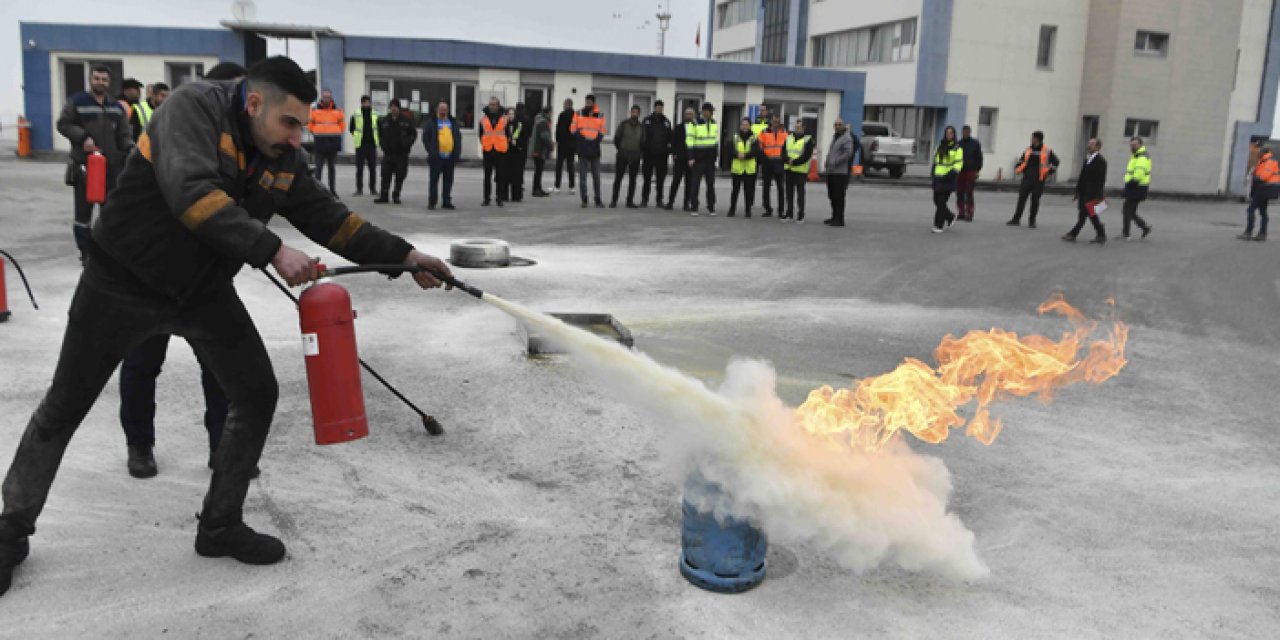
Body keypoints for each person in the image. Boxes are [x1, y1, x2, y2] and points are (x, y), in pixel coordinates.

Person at [0, 56, 454, 599]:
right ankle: (9, 531)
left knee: (256, 394)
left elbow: (334, 220)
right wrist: (272, 250)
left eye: (304, 124)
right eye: (290, 123)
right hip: (121, 280)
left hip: (200, 291)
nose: (297, 136)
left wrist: (406, 256)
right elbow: (192, 194)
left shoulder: (282, 154)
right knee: (65, 405)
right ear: (254, 102)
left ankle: (219, 525)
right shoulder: (192, 108)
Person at [58, 64, 133, 262]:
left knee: (110, 210)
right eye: (96, 78)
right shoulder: (77, 102)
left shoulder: (116, 107)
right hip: (85, 166)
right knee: (83, 211)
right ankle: (85, 251)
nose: (100, 82)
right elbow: (63, 124)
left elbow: (124, 135)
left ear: (109, 82)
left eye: (104, 79)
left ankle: (107, 249)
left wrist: (131, 149)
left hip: (111, 167)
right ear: (90, 80)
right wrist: (83, 138)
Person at [1007, 131, 1059, 228]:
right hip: (1027, 178)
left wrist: (1048, 172)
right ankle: (1016, 219)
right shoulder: (1028, 149)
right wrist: (1018, 167)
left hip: (1039, 180)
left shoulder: (1047, 151)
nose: (1031, 139)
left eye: (1033, 138)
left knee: (1035, 200)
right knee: (1021, 199)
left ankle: (1032, 221)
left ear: (1037, 139)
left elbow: (1056, 162)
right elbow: (1022, 160)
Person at [1062, 137, 1107, 245]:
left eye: (1092, 144)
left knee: (1083, 215)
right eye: (1089, 143)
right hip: (1084, 192)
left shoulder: (1101, 161)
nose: (1089, 146)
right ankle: (1101, 233)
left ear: (1098, 147)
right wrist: (1077, 191)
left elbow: (1100, 180)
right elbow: (1082, 177)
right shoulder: (1088, 159)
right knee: (1091, 215)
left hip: (1092, 193)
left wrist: (1096, 195)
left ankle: (1073, 234)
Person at [374, 99, 417, 205]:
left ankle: (396, 195)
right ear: (389, 108)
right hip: (388, 153)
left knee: (400, 175)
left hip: (401, 154)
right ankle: (384, 196)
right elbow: (379, 135)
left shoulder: (406, 120)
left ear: (399, 108)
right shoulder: (384, 121)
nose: (393, 109)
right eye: (392, 107)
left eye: (395, 107)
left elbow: (413, 134)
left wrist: (407, 145)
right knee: (385, 174)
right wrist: (383, 146)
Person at [423, 100, 461, 210]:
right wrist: (431, 151)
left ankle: (446, 201)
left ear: (448, 110)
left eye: (445, 109)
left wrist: (457, 153)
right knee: (434, 181)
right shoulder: (432, 122)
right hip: (436, 157)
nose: (443, 111)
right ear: (437, 110)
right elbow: (426, 138)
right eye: (441, 109)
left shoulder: (452, 122)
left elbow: (457, 138)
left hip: (449, 157)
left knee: (448, 181)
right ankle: (432, 202)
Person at [572, 95, 606, 208]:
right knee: (582, 176)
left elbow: (602, 130)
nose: (588, 104)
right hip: (582, 148)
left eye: (590, 102)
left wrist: (597, 139)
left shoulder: (600, 115)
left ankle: (598, 199)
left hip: (595, 148)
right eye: (586, 102)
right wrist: (581, 138)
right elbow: (572, 128)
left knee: (596, 176)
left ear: (594, 103)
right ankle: (584, 199)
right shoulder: (578, 113)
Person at [685, 102, 719, 216]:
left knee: (710, 185)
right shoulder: (694, 123)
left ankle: (711, 207)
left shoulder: (714, 123)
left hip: (710, 160)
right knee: (695, 184)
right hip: (698, 159)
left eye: (711, 111)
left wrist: (715, 156)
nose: (710, 113)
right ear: (705, 111)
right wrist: (691, 157)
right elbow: (689, 141)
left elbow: (715, 141)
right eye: (709, 111)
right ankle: (694, 207)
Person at [307, 89, 344, 194]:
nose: (326, 99)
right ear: (321, 98)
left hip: (333, 142)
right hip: (320, 142)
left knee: (332, 168)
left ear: (331, 98)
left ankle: (332, 190)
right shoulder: (314, 110)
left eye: (328, 97)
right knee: (319, 168)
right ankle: (317, 191)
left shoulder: (338, 110)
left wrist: (334, 133)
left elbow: (342, 126)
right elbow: (310, 125)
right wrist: (317, 132)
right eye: (325, 97)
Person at [1239, 146, 1277, 242]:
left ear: (1264, 152)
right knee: (1263, 212)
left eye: (1259, 152)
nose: (1258, 154)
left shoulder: (1269, 162)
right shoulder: (1264, 161)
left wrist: (1255, 179)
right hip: (1265, 189)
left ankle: (1249, 232)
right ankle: (1262, 234)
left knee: (1251, 209)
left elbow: (1263, 177)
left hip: (1264, 189)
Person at [611, 105, 645, 208]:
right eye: (633, 111)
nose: (634, 113)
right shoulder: (624, 124)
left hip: (635, 156)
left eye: (637, 112)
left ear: (639, 114)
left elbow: (643, 141)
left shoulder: (641, 127)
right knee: (618, 179)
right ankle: (614, 201)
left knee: (632, 180)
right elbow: (616, 138)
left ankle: (629, 201)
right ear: (630, 112)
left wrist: (639, 153)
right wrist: (621, 150)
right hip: (622, 155)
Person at [931, 125, 964, 233]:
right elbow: (936, 160)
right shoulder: (940, 145)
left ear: (954, 135)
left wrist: (951, 174)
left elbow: (958, 163)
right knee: (936, 200)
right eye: (947, 132)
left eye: (951, 133)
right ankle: (950, 217)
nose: (948, 134)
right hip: (938, 177)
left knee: (941, 202)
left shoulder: (957, 147)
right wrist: (933, 171)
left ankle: (938, 225)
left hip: (948, 178)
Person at [823, 119, 855, 227]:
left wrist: (836, 162)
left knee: (839, 196)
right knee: (831, 195)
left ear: (843, 126)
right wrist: (827, 161)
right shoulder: (835, 137)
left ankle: (839, 219)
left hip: (840, 172)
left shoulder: (846, 138)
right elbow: (832, 152)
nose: (837, 126)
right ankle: (834, 216)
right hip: (831, 171)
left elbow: (848, 153)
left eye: (839, 124)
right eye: (835, 124)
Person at [640, 100, 672, 208]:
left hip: (662, 155)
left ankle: (659, 199)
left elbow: (669, 139)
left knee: (660, 179)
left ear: (663, 108)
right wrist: (643, 149)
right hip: (648, 154)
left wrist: (668, 151)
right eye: (657, 107)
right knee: (647, 178)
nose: (659, 109)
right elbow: (642, 136)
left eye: (661, 107)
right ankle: (644, 199)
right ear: (654, 108)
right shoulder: (647, 121)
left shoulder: (666, 122)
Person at [478, 97, 509, 207]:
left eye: (494, 104)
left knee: (500, 176)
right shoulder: (483, 118)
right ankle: (486, 198)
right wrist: (484, 144)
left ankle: (499, 198)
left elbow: (508, 133)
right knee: (487, 176)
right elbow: (481, 134)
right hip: (488, 150)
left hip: (500, 150)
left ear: (498, 105)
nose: (492, 106)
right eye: (490, 104)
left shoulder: (505, 118)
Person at [1121, 137, 1153, 240]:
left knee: (1126, 210)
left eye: (1134, 144)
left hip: (1137, 187)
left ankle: (1126, 234)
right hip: (1138, 187)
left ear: (1140, 145)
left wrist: (1129, 186)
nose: (1132, 146)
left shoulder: (1141, 157)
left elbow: (1139, 173)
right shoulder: (1137, 155)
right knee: (1131, 211)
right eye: (1131, 144)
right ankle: (1145, 228)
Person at [783, 119, 815, 223]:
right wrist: (787, 160)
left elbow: (807, 155)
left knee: (800, 194)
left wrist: (795, 162)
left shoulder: (808, 139)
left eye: (799, 127)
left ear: (803, 128)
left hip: (800, 171)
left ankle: (801, 216)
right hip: (789, 169)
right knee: (789, 193)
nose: (797, 129)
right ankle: (789, 214)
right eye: (796, 127)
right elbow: (783, 151)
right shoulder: (788, 137)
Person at [727, 117, 759, 218]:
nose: (744, 126)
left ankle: (748, 211)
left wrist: (745, 155)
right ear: (740, 126)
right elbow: (729, 150)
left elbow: (755, 151)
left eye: (746, 124)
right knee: (735, 191)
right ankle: (732, 210)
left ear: (750, 126)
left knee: (748, 191)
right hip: (737, 169)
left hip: (749, 169)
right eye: (743, 124)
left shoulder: (754, 137)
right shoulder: (735, 137)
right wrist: (737, 154)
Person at [666, 106, 696, 211]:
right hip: (679, 159)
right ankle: (670, 202)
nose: (689, 116)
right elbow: (672, 142)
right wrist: (673, 154)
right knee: (675, 181)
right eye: (687, 114)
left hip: (691, 160)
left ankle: (686, 204)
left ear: (693, 115)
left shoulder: (697, 128)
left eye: (690, 114)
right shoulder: (678, 128)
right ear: (684, 115)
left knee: (689, 183)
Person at [348, 95, 379, 197]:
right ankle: (359, 189)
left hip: (372, 145)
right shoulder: (356, 114)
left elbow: (378, 128)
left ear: (370, 103)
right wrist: (357, 136)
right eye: (364, 102)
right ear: (361, 103)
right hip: (360, 145)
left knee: (372, 169)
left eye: (368, 102)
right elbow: (351, 128)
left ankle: (373, 189)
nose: (366, 104)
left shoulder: (374, 114)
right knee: (359, 169)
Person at [757, 114, 787, 218]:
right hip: (767, 162)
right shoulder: (764, 132)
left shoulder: (784, 132)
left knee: (781, 188)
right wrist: (764, 159)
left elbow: (787, 147)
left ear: (780, 122)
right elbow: (759, 147)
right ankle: (768, 209)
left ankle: (781, 211)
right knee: (766, 187)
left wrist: (784, 159)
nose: (775, 123)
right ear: (771, 121)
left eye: (777, 121)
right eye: (774, 121)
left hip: (779, 163)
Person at [955, 125, 983, 221]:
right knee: (959, 193)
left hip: (971, 171)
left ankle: (969, 213)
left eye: (967, 132)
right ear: (962, 132)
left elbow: (979, 158)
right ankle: (961, 212)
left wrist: (977, 170)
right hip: (960, 171)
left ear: (970, 132)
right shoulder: (958, 144)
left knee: (969, 193)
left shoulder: (975, 143)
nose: (965, 133)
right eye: (964, 132)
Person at [505, 103, 530, 202]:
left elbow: (525, 137)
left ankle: (517, 195)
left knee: (517, 175)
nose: (511, 116)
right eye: (509, 114)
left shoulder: (519, 125)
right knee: (505, 175)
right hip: (506, 152)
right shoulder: (503, 125)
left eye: (512, 114)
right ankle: (504, 195)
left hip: (517, 152)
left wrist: (518, 143)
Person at [530, 105, 555, 197]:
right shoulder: (543, 122)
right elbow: (544, 136)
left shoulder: (539, 119)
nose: (551, 114)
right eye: (551, 112)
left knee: (538, 170)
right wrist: (551, 146)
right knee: (538, 170)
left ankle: (538, 188)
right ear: (548, 112)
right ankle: (536, 189)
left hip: (537, 148)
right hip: (539, 149)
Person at [554, 98, 576, 194]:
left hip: (562, 143)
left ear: (567, 104)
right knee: (570, 165)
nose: (563, 105)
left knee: (559, 165)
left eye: (564, 104)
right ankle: (572, 187)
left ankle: (557, 186)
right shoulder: (575, 115)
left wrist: (558, 140)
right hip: (571, 144)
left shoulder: (562, 115)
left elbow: (558, 129)